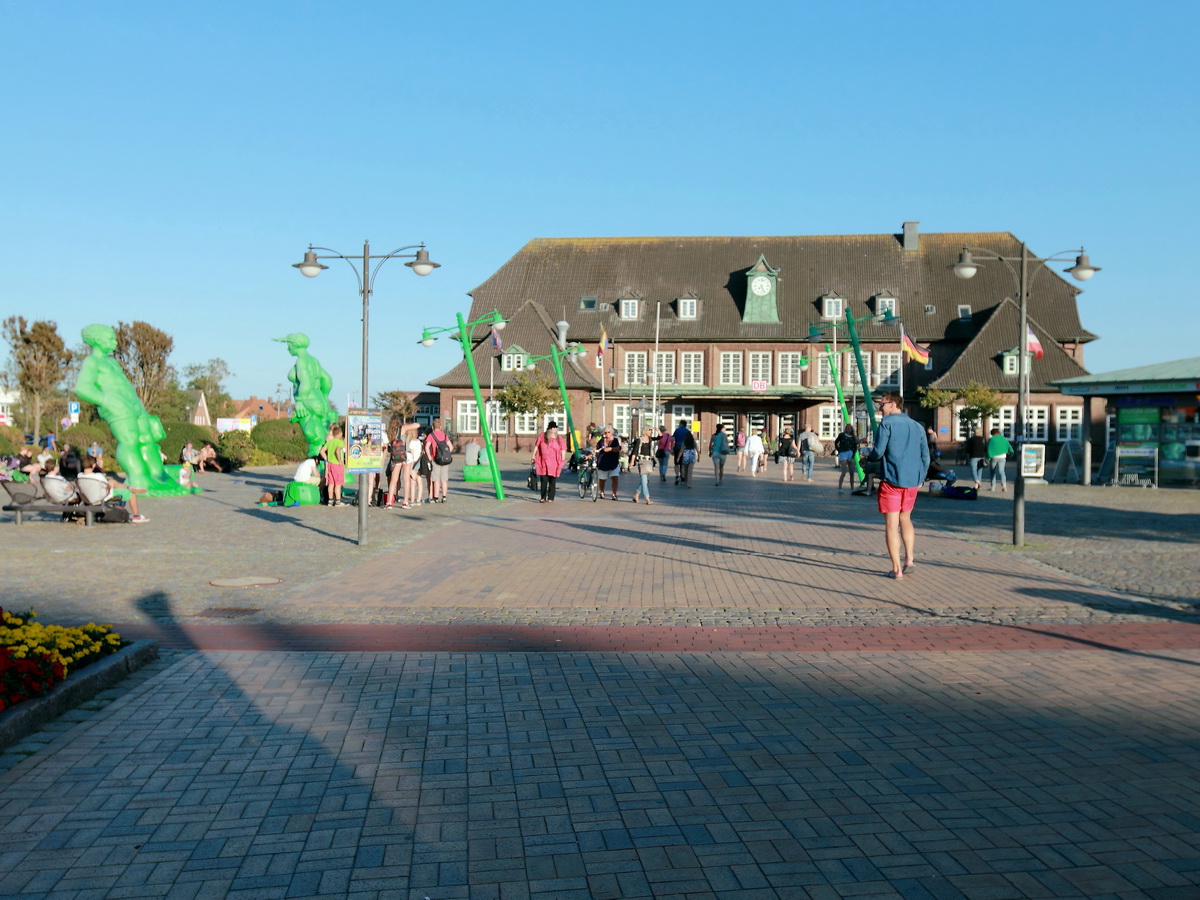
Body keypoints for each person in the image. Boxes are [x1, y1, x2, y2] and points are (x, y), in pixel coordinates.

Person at [74, 323, 180, 495]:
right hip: (117, 406)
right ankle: (138, 479)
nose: (115, 342)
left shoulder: (111, 361)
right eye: (110, 338)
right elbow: (82, 388)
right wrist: (106, 400)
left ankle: (158, 476)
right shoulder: (91, 362)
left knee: (147, 440)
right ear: (97, 340)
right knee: (129, 440)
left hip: (134, 405)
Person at [868, 393, 929, 579]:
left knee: (891, 525)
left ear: (893, 404)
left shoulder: (887, 424)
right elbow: (925, 456)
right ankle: (909, 559)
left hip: (892, 480)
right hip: (913, 481)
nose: (880, 408)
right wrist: (921, 477)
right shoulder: (917, 426)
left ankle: (896, 570)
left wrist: (868, 455)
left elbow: (878, 452)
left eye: (882, 404)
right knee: (906, 518)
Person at [275, 333, 337, 457]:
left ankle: (320, 465)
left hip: (308, 402)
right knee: (325, 435)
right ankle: (329, 465)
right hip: (319, 399)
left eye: (289, 345)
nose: (288, 348)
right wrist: (324, 396)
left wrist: (300, 400)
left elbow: (306, 382)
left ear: (295, 345)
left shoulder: (302, 361)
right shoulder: (314, 361)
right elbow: (327, 380)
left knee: (313, 438)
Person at [78, 454, 148, 522]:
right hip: (101, 497)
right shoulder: (98, 476)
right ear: (93, 465)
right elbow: (107, 486)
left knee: (111, 481)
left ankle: (128, 487)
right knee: (131, 492)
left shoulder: (79, 476)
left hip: (88, 498)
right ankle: (136, 516)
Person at [532, 422, 567, 503]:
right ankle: (543, 497)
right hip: (543, 461)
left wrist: (562, 459)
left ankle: (551, 497)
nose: (555, 429)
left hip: (554, 462)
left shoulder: (559, 438)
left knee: (552, 480)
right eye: (554, 428)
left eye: (556, 428)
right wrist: (533, 456)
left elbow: (563, 449)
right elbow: (537, 446)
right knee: (543, 480)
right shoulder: (542, 436)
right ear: (550, 429)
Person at [424, 417, 454, 503]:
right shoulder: (444, 435)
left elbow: (426, 447)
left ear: (433, 427)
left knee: (436, 479)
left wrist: (429, 456)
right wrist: (446, 454)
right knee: (444, 479)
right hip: (445, 460)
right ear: (440, 426)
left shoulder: (431, 435)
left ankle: (436, 497)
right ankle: (444, 497)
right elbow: (451, 447)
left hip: (435, 459)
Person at [628, 425, 657, 504]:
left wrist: (656, 429)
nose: (651, 432)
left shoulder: (650, 439)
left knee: (645, 481)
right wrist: (632, 461)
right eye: (649, 430)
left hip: (649, 462)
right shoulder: (639, 440)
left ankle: (636, 495)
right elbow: (635, 451)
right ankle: (647, 498)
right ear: (645, 431)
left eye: (651, 430)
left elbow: (660, 437)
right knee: (644, 481)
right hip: (642, 461)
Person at [321, 423, 347, 506]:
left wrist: (327, 459)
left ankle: (330, 500)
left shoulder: (330, 442)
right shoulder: (340, 442)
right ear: (340, 434)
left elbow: (322, 451)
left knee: (331, 483)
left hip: (330, 464)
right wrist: (340, 461)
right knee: (338, 484)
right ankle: (338, 501)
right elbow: (337, 451)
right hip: (337, 465)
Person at [595, 426, 623, 500]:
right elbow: (596, 447)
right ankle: (602, 492)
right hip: (603, 462)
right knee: (602, 479)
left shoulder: (615, 440)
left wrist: (611, 449)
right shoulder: (601, 441)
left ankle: (614, 494)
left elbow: (618, 448)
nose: (607, 433)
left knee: (615, 478)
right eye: (605, 432)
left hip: (613, 461)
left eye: (608, 432)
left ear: (611, 432)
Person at [987, 427, 1014, 492]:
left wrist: (988, 457)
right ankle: (1004, 485)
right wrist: (1011, 453)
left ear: (992, 434)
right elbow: (1009, 447)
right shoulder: (1004, 439)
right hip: (1002, 457)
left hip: (994, 457)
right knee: (1001, 471)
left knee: (992, 471)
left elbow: (988, 448)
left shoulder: (991, 439)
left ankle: (993, 486)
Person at [407, 427, 427, 507]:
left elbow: (411, 456)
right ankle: (418, 499)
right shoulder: (419, 442)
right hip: (419, 462)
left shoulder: (411, 442)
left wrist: (410, 468)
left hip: (414, 463)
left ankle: (412, 499)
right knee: (419, 482)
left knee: (413, 482)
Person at [835, 424, 858, 492]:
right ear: (846, 429)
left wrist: (853, 455)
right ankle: (840, 488)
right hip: (843, 453)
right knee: (844, 471)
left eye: (850, 428)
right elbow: (836, 442)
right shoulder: (842, 435)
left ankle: (852, 488)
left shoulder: (853, 437)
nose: (849, 429)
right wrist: (839, 450)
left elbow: (855, 447)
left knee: (852, 472)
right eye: (847, 428)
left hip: (850, 453)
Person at [671, 419, 691, 484]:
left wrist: (671, 448)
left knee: (676, 463)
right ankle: (682, 478)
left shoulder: (677, 430)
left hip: (677, 447)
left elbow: (673, 439)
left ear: (681, 424)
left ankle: (677, 476)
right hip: (685, 448)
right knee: (683, 464)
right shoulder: (687, 431)